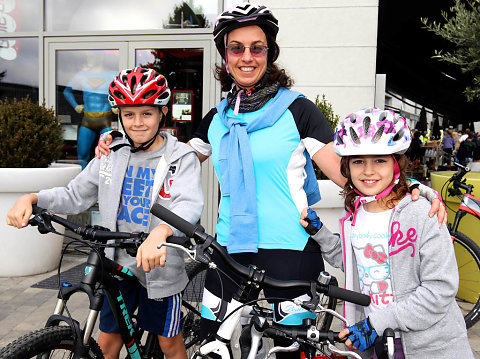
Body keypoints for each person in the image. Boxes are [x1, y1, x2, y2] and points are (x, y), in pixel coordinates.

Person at [95, 3, 445, 357]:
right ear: (225, 55)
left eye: (257, 48)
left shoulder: (298, 110)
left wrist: (408, 189)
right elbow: (171, 160)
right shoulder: (216, 118)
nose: (247, 57)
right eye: (237, 48)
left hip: (290, 248)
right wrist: (122, 141)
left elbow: (351, 174)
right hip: (230, 248)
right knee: (212, 342)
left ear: (269, 53)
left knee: (291, 349)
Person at [7, 67, 204, 359]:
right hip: (117, 266)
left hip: (160, 268)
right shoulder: (111, 153)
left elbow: (188, 205)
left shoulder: (181, 157)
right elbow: (75, 194)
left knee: (168, 343)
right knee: (109, 340)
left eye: (146, 113)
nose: (137, 123)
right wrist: (33, 198)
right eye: (129, 114)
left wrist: (161, 232)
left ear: (163, 113)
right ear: (119, 116)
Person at [301, 107, 473, 359]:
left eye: (379, 160)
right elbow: (354, 263)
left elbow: (440, 290)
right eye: (358, 161)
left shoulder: (422, 214)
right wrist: (321, 234)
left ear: (396, 164)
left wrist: (376, 323)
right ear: (347, 167)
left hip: (426, 345)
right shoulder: (355, 215)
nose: (368, 171)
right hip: (378, 341)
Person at [63, 52, 117, 169]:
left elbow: (124, 92)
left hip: (106, 119)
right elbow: (67, 91)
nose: (88, 58)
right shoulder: (82, 75)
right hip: (87, 119)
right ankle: (83, 184)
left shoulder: (112, 75)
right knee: (82, 155)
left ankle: (106, 183)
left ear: (100, 57)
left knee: (109, 155)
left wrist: (118, 106)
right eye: (87, 56)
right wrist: (75, 106)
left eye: (91, 55)